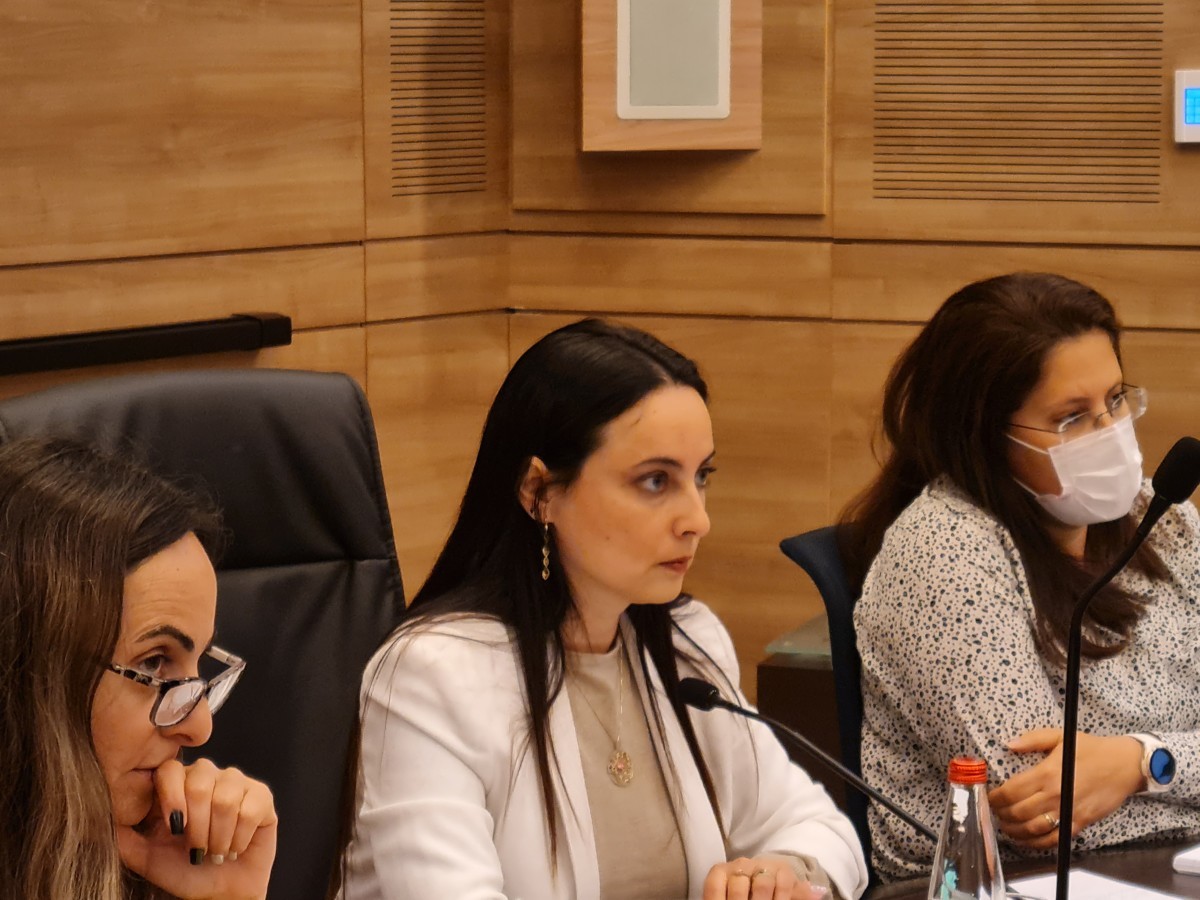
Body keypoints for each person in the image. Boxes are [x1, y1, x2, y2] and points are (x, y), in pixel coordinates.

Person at [339, 319, 868, 900]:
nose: (697, 519)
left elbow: (823, 831)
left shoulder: (687, 643)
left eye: (701, 477)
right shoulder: (432, 677)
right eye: (655, 481)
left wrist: (780, 876)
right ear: (539, 492)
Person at [840, 272, 1200, 880]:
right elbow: (1037, 812)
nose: (1111, 432)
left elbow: (1101, 785)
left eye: (1115, 399)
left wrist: (1141, 762)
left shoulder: (1160, 518)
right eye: (1072, 418)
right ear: (985, 436)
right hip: (1002, 885)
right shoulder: (943, 555)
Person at [0, 437, 278, 900]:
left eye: (197, 665)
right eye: (154, 661)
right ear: (28, 667)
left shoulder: (132, 863)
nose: (200, 727)